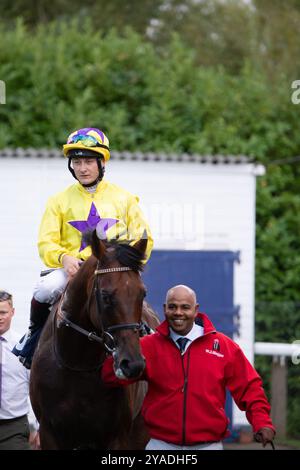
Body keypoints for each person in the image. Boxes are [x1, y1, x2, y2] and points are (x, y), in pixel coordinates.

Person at [13, 127, 153, 369]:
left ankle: (150, 342)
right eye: (77, 162)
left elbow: (143, 238)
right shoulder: (58, 201)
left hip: (112, 269)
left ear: (101, 163)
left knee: (132, 298)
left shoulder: (125, 198)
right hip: (72, 269)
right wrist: (63, 257)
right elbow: (45, 241)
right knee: (46, 289)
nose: (83, 168)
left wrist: (120, 262)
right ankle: (32, 337)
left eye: (88, 161)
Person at [102, 284, 276, 450]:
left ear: (196, 309)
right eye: (172, 307)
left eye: (185, 307)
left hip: (210, 446)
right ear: (164, 308)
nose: (178, 312)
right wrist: (120, 354)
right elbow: (109, 376)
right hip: (160, 446)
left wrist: (262, 422)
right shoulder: (147, 346)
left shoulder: (223, 346)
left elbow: (249, 388)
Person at [0, 290, 39, 450]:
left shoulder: (24, 346)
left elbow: (36, 389)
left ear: (12, 312)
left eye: (3, 312)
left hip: (13, 428)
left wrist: (39, 428)